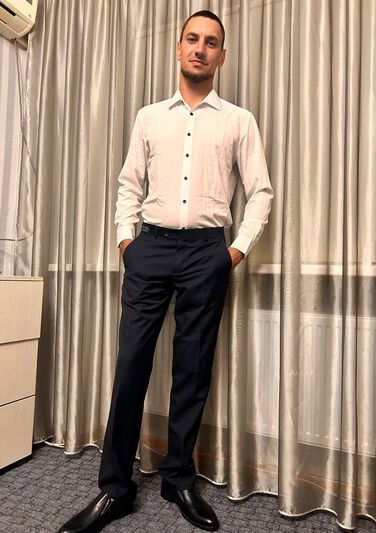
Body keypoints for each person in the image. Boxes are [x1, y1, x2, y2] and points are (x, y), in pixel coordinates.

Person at [57, 9, 273, 533]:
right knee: (131, 364)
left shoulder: (238, 120)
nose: (200, 48)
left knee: (192, 370)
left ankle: (178, 479)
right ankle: (115, 489)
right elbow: (128, 183)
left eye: (211, 42)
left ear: (222, 56)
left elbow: (260, 192)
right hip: (149, 247)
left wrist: (235, 251)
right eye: (192, 39)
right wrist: (125, 242)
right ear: (179, 48)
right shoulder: (149, 117)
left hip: (207, 252)